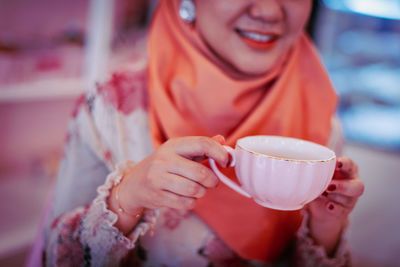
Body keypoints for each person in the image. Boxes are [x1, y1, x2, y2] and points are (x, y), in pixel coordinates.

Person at [43, 0, 364, 266]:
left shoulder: (320, 117)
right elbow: (56, 259)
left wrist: (326, 230)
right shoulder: (113, 105)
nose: (269, 12)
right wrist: (127, 198)